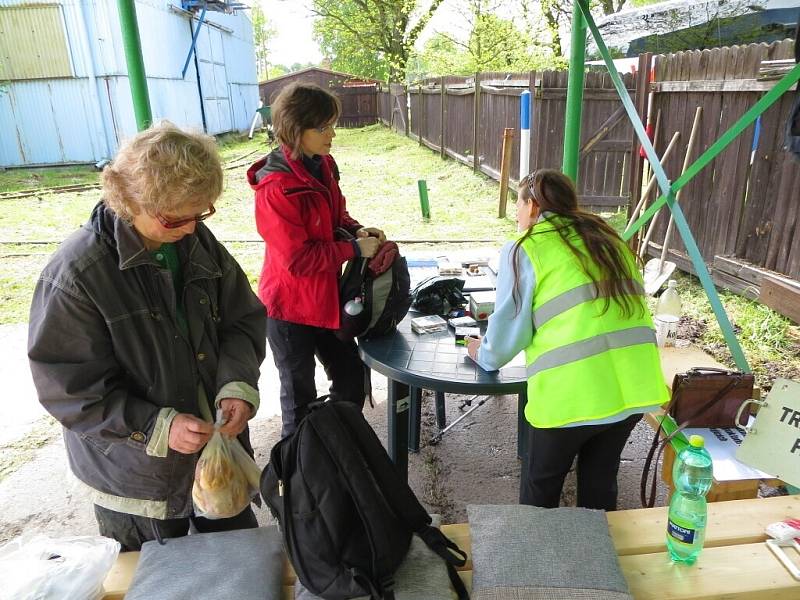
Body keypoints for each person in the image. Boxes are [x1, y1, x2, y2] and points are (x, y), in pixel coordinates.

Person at [28, 122, 267, 551]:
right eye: (177, 218)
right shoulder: (76, 277)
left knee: (241, 566)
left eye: (202, 214)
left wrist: (236, 384)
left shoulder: (194, 241)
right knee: (154, 583)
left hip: (216, 457)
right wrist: (154, 425)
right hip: (136, 482)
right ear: (128, 199)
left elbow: (241, 319)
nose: (192, 229)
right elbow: (71, 392)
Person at [466, 169, 668, 511]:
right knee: (600, 484)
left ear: (532, 205)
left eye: (518, 202)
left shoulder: (526, 248)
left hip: (571, 397)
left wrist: (480, 352)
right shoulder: (608, 239)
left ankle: (537, 559)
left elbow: (505, 337)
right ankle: (597, 556)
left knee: (541, 489)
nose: (517, 211)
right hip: (633, 388)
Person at [248, 83, 385, 437]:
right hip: (289, 308)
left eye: (332, 124)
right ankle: (297, 478)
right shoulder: (276, 188)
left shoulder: (323, 165)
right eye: (323, 128)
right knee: (299, 398)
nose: (333, 134)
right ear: (295, 131)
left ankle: (338, 448)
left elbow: (337, 217)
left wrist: (357, 232)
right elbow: (296, 260)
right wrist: (353, 251)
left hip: (324, 298)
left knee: (351, 376)